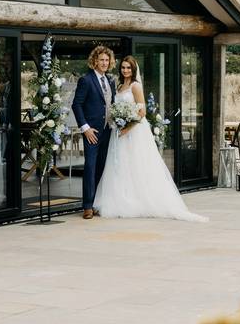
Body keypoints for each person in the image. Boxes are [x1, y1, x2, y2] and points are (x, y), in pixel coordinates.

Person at [94, 56, 207, 222]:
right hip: (119, 132)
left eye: (128, 68)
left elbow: (142, 112)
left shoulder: (135, 86)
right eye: (123, 68)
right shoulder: (118, 86)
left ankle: (141, 200)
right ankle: (121, 199)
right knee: (120, 165)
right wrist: (117, 123)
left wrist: (127, 128)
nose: (125, 70)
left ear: (133, 70)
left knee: (136, 164)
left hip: (134, 132)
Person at [71, 46, 117, 220]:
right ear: (94, 61)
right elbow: (77, 105)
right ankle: (87, 206)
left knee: (101, 167)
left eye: (107, 60)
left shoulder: (110, 81)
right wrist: (85, 128)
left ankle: (96, 202)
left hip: (107, 130)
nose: (104, 63)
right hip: (92, 131)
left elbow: (111, 104)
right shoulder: (86, 80)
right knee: (90, 166)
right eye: (101, 60)